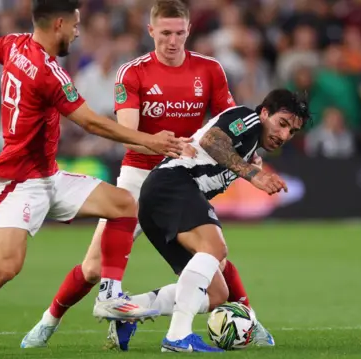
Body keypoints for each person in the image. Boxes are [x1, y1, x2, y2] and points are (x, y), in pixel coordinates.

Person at [0, 1, 189, 358]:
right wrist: (151, 140)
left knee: (124, 203)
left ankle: (110, 294)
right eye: (76, 25)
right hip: (18, 181)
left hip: (47, 175)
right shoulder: (48, 71)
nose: (78, 32)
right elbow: (91, 123)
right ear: (59, 25)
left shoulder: (15, 44)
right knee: (5, 267)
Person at [21, 0, 272, 352]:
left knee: (214, 256)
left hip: (183, 180)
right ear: (151, 31)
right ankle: (48, 321)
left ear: (189, 31)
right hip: (138, 180)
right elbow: (128, 132)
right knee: (93, 269)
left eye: (179, 33)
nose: (172, 41)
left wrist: (248, 151)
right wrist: (167, 145)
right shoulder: (132, 73)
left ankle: (250, 320)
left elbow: (229, 126)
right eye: (165, 33)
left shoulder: (210, 70)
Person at [139, 89, 310, 352]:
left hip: (161, 199)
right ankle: (176, 337)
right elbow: (210, 140)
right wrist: (252, 174)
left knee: (217, 294)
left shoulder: (252, 149)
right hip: (171, 184)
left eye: (292, 131)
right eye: (282, 124)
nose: (284, 135)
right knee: (215, 249)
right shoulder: (247, 119)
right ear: (265, 113)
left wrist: (249, 165)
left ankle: (130, 310)